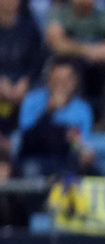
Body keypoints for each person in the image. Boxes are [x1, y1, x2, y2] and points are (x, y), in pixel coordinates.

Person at [43, 0, 105, 124]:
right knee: (68, 66)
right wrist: (89, 51)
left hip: (100, 66)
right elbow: (57, 44)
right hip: (75, 66)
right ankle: (74, 118)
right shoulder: (59, 13)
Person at [15, 60, 91, 174]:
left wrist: (80, 148)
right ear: (49, 80)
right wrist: (49, 110)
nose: (62, 86)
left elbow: (83, 142)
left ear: (75, 81)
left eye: (66, 81)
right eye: (57, 81)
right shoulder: (32, 101)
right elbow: (25, 138)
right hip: (36, 157)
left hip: (65, 159)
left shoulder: (82, 108)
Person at [0, 0, 45, 142]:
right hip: (3, 83)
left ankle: (24, 141)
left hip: (26, 82)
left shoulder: (30, 29)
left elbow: (37, 61)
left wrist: (26, 80)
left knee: (36, 98)